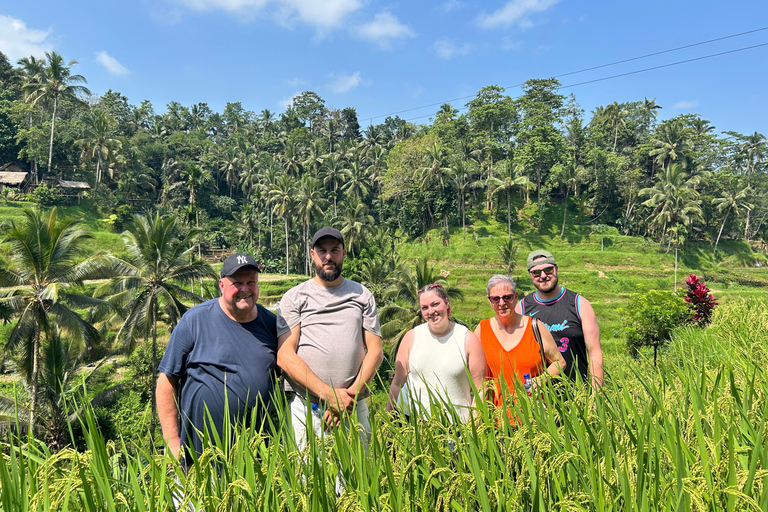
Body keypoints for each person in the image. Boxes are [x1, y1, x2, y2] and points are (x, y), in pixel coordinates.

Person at [156, 254, 278, 466]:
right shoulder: (195, 320)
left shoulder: (271, 324)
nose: (245, 289)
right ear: (221, 285)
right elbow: (166, 381)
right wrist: (172, 442)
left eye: (251, 282)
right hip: (199, 458)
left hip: (255, 457)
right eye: (237, 283)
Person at [276, 227, 383, 449]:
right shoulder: (294, 297)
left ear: (344, 253)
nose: (328, 256)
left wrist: (346, 400)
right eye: (322, 250)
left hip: (354, 406)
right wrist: (330, 397)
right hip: (307, 407)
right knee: (306, 479)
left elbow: (375, 351)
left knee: (357, 477)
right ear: (312, 254)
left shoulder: (362, 295)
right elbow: (285, 356)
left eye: (334, 250)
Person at [386, 283, 486, 423]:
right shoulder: (411, 337)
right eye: (425, 308)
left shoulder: (467, 338)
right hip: (413, 422)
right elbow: (397, 383)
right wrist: (388, 420)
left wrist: (473, 425)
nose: (431, 311)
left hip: (456, 424)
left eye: (435, 304)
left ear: (446, 302)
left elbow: (481, 388)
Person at [475, 275, 566, 411]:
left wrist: (541, 379)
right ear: (489, 300)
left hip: (535, 418)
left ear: (516, 297)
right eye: (496, 299)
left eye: (507, 297)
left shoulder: (535, 327)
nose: (501, 303)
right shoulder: (482, 330)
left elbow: (560, 362)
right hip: (496, 420)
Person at [517, 250, 604, 387]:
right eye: (536, 272)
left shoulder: (579, 304)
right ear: (530, 275)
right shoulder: (522, 309)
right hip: (539, 400)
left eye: (548, 270)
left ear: (556, 269)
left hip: (578, 394)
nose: (543, 276)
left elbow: (594, 352)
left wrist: (596, 395)